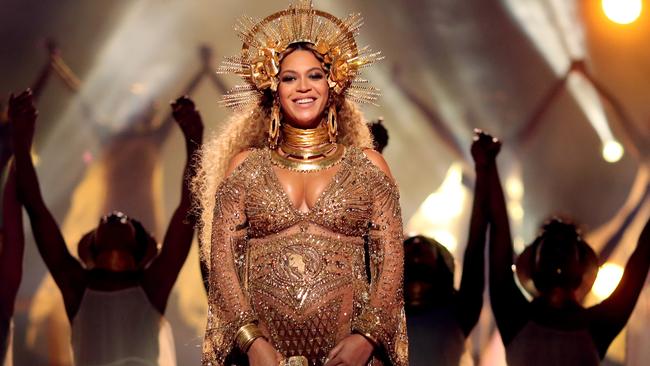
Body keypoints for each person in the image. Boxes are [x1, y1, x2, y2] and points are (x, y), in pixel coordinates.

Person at [196, 2, 407, 365]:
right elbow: (224, 266)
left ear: (334, 84)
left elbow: (391, 266)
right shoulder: (246, 167)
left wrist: (366, 338)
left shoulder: (368, 166)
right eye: (289, 77)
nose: (303, 87)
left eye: (315, 75)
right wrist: (252, 342)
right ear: (273, 88)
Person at [10, 90, 203, 366]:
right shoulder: (80, 287)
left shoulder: (147, 286)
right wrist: (20, 141)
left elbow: (188, 209)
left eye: (119, 218)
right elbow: (36, 210)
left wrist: (195, 139)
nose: (114, 214)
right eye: (118, 217)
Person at [485, 131, 650, 365]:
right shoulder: (514, 314)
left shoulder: (597, 324)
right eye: (552, 246)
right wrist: (487, 167)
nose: (557, 252)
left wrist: (487, 168)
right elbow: (499, 229)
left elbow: (642, 255)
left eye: (564, 246)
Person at [404, 129, 492, 365]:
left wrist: (486, 171)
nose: (416, 245)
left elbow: (476, 246)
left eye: (423, 247)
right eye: (411, 246)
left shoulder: (458, 313)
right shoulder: (381, 309)